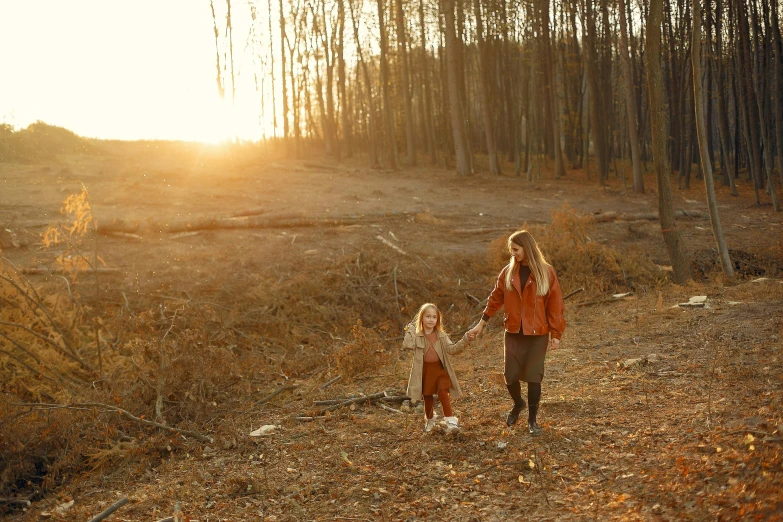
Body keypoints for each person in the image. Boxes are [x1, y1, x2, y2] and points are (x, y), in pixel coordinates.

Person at [467, 230, 565, 435]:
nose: (513, 253)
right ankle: (518, 403)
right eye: (511, 250)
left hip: (538, 334)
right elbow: (495, 299)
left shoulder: (546, 272)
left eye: (516, 249)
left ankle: (532, 421)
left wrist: (556, 334)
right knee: (510, 376)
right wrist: (481, 324)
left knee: (533, 377)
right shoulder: (508, 272)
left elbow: (555, 305)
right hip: (513, 331)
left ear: (527, 248)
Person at [404, 303, 472, 433]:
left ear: (438, 320)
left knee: (443, 393)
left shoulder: (441, 336)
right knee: (428, 397)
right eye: (428, 316)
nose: (431, 319)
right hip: (425, 371)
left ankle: (451, 421)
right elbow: (407, 344)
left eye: (434, 317)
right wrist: (411, 328)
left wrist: (465, 340)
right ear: (422, 318)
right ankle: (429, 420)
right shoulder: (418, 335)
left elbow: (453, 349)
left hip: (440, 370)